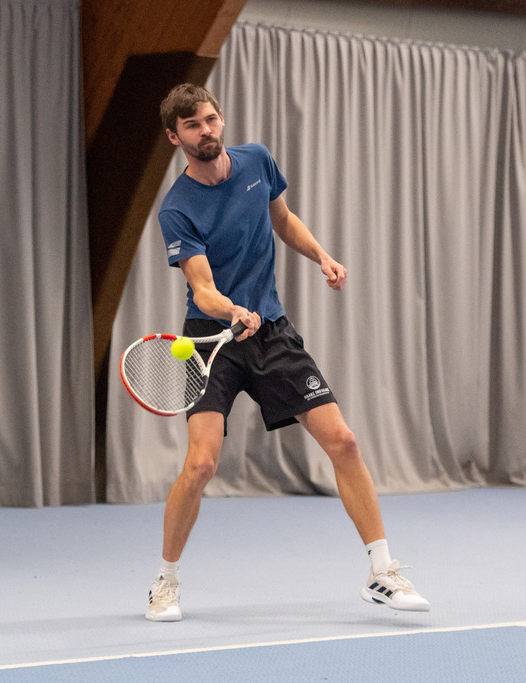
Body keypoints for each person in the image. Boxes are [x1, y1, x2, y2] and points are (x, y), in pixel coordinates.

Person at [145, 83, 429, 622]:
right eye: (192, 126)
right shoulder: (177, 207)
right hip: (212, 341)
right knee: (201, 464)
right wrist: (230, 310)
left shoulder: (257, 161)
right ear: (174, 136)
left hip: (271, 333)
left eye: (210, 120)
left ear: (221, 118)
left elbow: (282, 219)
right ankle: (166, 580)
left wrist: (322, 255)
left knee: (343, 441)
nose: (205, 131)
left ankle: (382, 573)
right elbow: (201, 287)